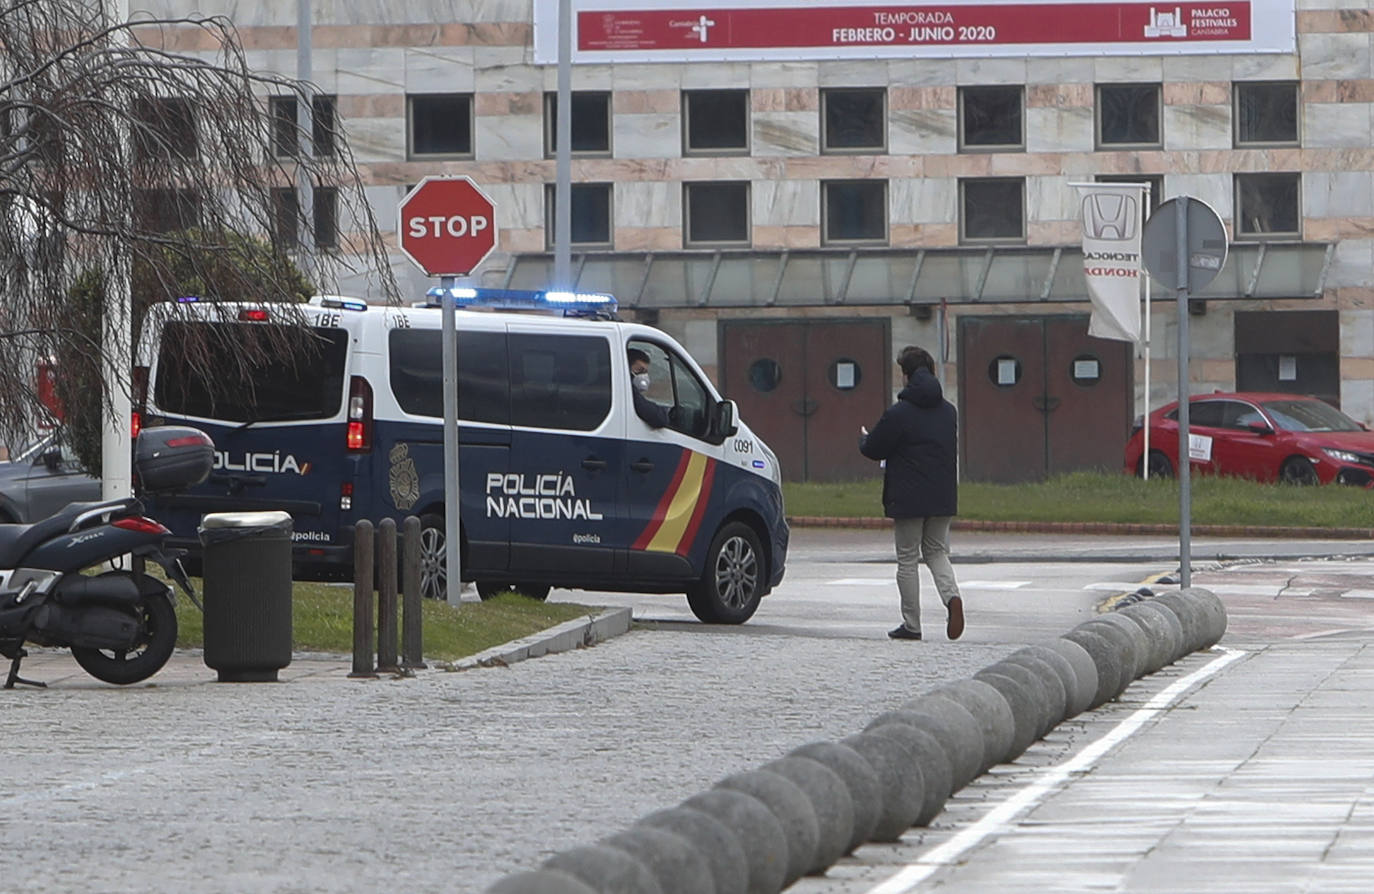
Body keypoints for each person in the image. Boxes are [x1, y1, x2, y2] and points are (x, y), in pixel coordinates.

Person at [858, 345, 964, 641]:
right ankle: (951, 597)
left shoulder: (899, 413)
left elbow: (875, 448)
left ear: (907, 376)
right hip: (942, 496)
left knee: (907, 559)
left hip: (908, 496)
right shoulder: (949, 412)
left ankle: (912, 624)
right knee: (936, 551)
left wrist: (863, 439)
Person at [628, 347, 670, 429]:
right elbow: (659, 418)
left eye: (645, 372)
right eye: (639, 370)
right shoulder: (628, 392)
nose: (643, 375)